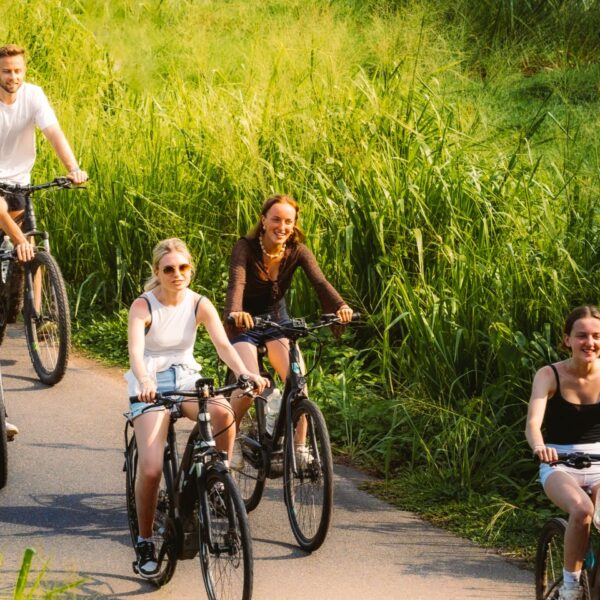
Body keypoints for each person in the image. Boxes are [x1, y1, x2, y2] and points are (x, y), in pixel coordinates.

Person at [126, 238, 267, 579]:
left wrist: (245, 372)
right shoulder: (143, 306)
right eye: (169, 269)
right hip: (151, 384)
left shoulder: (199, 303)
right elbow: (135, 351)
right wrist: (144, 379)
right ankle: (145, 540)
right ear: (157, 272)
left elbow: (223, 345)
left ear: (191, 269)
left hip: (187, 376)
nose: (177, 275)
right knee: (150, 469)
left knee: (222, 413)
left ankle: (217, 479)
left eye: (183, 268)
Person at [224, 194, 353, 464]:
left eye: (288, 221)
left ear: (294, 225)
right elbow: (237, 284)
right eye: (275, 220)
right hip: (244, 322)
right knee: (250, 387)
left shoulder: (298, 251)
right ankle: (226, 445)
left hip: (275, 320)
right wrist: (236, 312)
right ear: (263, 220)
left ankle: (300, 448)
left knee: (299, 385)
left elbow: (320, 282)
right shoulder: (245, 247)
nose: (281, 227)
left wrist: (340, 306)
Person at [0, 44, 88, 439]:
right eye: (5, 72)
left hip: (21, 184)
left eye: (17, 71)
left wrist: (72, 168)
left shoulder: (33, 96)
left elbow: (53, 132)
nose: (12, 78)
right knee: (18, 243)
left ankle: (36, 314)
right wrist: (17, 238)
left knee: (33, 246)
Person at [526, 305, 600, 600]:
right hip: (560, 462)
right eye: (581, 335)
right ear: (567, 339)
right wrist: (540, 447)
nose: (590, 342)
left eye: (596, 336)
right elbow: (533, 422)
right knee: (581, 510)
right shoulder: (549, 375)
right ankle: (570, 587)